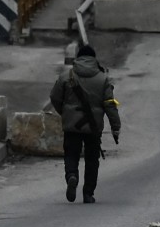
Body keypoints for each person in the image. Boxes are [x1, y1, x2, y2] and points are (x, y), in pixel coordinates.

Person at [50, 43, 121, 203]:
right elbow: (110, 105)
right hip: (93, 127)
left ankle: (72, 176)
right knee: (91, 160)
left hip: (72, 126)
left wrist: (65, 113)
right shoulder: (103, 79)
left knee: (71, 154)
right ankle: (88, 193)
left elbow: (54, 97)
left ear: (78, 58)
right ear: (94, 59)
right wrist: (115, 128)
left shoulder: (66, 76)